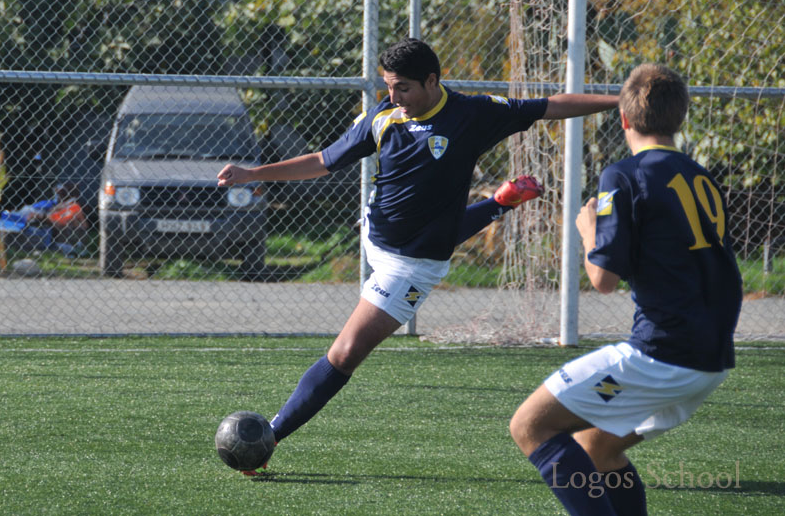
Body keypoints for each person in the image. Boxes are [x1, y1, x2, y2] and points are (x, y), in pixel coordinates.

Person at [217, 38, 619, 474]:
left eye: (403, 88)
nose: (394, 98)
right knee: (431, 227)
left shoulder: (475, 113)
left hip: (412, 266)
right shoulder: (385, 117)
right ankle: (501, 201)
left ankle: (269, 436)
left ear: (432, 80)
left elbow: (551, 105)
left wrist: (620, 101)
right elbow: (323, 160)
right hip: (376, 234)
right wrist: (255, 173)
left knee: (347, 352)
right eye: (389, 86)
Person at [508, 64, 742, 515]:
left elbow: (602, 280)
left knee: (530, 425)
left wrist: (587, 229)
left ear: (624, 119)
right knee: (596, 450)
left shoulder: (625, 175)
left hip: (662, 354)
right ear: (681, 118)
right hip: (710, 359)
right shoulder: (700, 176)